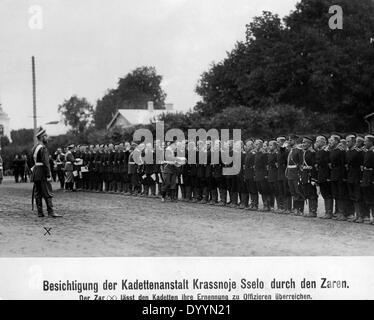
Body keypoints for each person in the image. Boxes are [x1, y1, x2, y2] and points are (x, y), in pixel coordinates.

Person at [31, 128, 61, 218]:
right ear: (41, 137)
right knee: (47, 192)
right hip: (43, 173)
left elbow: (29, 160)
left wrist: (33, 169)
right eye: (45, 136)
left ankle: (40, 213)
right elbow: (46, 162)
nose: (47, 138)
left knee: (38, 193)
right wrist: (48, 174)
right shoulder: (43, 148)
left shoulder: (34, 148)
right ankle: (51, 212)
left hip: (36, 173)